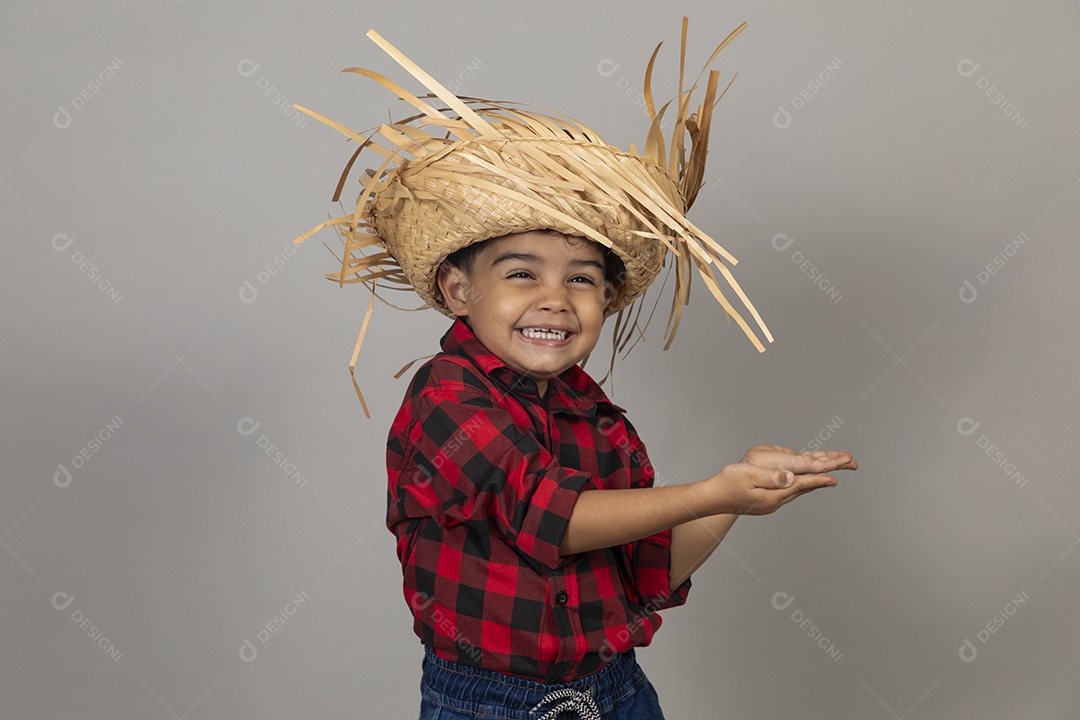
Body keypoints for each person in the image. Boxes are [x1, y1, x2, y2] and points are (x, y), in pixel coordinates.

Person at [293, 19, 858, 720]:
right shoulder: (446, 397)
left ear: (607, 298)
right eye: (522, 273)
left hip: (616, 691)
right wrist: (708, 489)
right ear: (458, 289)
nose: (555, 299)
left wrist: (730, 499)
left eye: (582, 279)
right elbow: (555, 519)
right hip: (492, 703)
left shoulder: (595, 417)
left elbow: (650, 569)